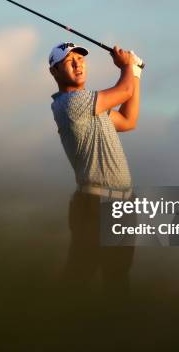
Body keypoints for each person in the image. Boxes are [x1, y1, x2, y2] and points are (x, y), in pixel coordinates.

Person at [49, 41, 143, 295]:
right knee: (80, 275)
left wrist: (135, 73)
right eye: (69, 61)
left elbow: (127, 120)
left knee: (117, 278)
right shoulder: (71, 104)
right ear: (55, 72)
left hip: (121, 205)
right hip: (95, 204)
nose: (78, 64)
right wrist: (127, 67)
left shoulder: (93, 107)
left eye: (81, 59)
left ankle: (110, 328)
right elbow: (123, 91)